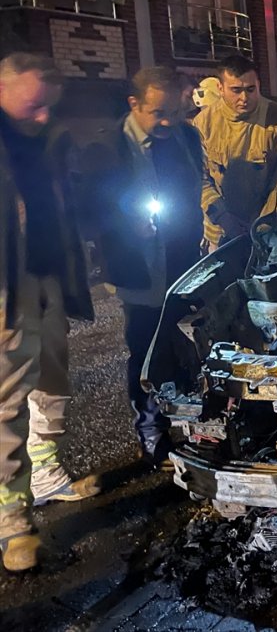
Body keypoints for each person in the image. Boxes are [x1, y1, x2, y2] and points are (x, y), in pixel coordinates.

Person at [0, 53, 98, 571]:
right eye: (35, 106)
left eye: (49, 108)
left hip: (47, 281)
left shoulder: (49, 138)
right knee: (6, 406)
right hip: (5, 292)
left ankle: (46, 475)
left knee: (54, 383)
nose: (43, 117)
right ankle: (14, 525)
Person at [82, 67, 204, 467]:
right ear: (133, 105)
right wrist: (124, 222)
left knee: (186, 346)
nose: (168, 121)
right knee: (145, 351)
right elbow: (87, 212)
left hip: (183, 266)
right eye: (158, 112)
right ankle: (151, 432)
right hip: (139, 271)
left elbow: (194, 188)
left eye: (174, 110)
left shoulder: (186, 137)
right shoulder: (105, 149)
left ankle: (195, 424)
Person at [193, 56, 277, 249]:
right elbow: (199, 178)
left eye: (250, 89)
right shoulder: (204, 123)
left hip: (267, 231)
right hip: (219, 231)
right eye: (236, 90)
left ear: (258, 85)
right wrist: (223, 217)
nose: (244, 98)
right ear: (220, 88)